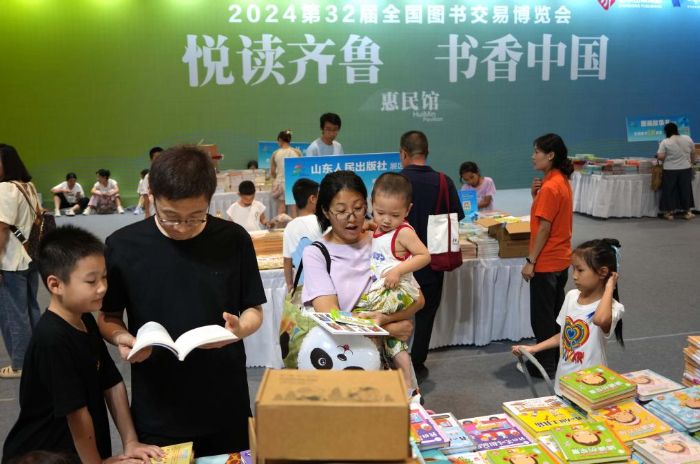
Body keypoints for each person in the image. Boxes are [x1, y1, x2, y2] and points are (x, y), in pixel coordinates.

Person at [97, 145, 265, 456]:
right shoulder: (124, 245)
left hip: (225, 400)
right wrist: (123, 338)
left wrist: (239, 329)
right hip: (158, 406)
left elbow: (253, 309)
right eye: (170, 217)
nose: (183, 228)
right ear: (152, 196)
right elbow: (108, 317)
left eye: (195, 217)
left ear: (209, 200)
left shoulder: (233, 239)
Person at [2, 226, 163, 464]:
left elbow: (112, 382)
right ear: (55, 285)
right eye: (91, 281)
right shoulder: (52, 338)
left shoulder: (84, 317)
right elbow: (77, 416)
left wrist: (131, 441)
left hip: (79, 452)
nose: (103, 287)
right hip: (44, 456)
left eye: (104, 277)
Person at [301, 171, 423, 378]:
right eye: (341, 211)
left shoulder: (381, 241)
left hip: (388, 361)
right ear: (326, 211)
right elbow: (331, 315)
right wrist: (390, 329)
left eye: (358, 208)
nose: (352, 218)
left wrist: (385, 319)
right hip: (345, 358)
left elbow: (418, 299)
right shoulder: (316, 253)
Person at [512, 239, 625, 394]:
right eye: (573, 269)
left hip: (591, 385)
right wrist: (533, 348)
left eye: (580, 270)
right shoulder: (572, 296)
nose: (574, 276)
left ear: (603, 272)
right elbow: (564, 335)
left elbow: (599, 320)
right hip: (564, 380)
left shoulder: (612, 308)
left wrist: (610, 286)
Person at [399, 131, 464, 384]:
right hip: (433, 261)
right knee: (426, 314)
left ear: (403, 153)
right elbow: (456, 217)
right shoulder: (444, 181)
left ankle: (395, 361)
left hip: (399, 261)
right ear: (427, 153)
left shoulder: (395, 181)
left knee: (396, 312)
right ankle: (417, 363)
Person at [355, 172, 431, 390]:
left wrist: (398, 271)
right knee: (394, 342)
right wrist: (372, 227)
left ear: (408, 210)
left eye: (395, 215)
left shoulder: (404, 232)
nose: (386, 220)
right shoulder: (381, 227)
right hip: (386, 288)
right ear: (372, 203)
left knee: (362, 314)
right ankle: (407, 384)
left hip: (397, 289)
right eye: (380, 213)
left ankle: (380, 375)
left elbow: (424, 256)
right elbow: (381, 236)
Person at [521, 133, 574, 379]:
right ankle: (554, 360)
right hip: (560, 259)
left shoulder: (551, 186)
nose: (533, 156)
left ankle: (546, 366)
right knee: (554, 315)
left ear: (550, 155)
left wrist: (530, 261)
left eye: (537, 151)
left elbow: (544, 228)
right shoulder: (559, 181)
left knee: (542, 318)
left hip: (547, 261)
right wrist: (536, 197)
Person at [0, 144, 42, 379]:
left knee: (12, 313)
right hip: (31, 255)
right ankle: (36, 357)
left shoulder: (5, 188)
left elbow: (2, 228)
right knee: (31, 308)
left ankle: (20, 364)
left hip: (10, 260)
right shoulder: (28, 186)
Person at [283, 178, 322, 292]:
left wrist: (290, 284)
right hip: (323, 284)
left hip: (302, 287)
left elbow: (287, 261)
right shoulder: (321, 222)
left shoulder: (289, 227)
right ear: (312, 199)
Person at [656, 123, 696, 221]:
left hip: (670, 169)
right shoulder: (687, 138)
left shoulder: (665, 142)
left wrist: (658, 157)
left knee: (669, 190)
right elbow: (693, 153)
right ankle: (688, 212)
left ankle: (670, 213)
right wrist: (691, 163)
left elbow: (661, 157)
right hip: (685, 168)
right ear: (677, 129)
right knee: (685, 190)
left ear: (666, 131)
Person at [270, 130, 302, 218]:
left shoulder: (275, 153)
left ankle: (280, 227)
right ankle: (295, 227)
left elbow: (272, 172)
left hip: (279, 183)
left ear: (280, 140)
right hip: (293, 183)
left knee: (281, 210)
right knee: (294, 210)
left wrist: (278, 178)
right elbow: (301, 169)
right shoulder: (297, 152)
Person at [139, 147, 163, 219]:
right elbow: (145, 195)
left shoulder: (170, 175)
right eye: (156, 158)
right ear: (151, 160)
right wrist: (147, 213)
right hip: (154, 211)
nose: (159, 160)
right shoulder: (148, 176)